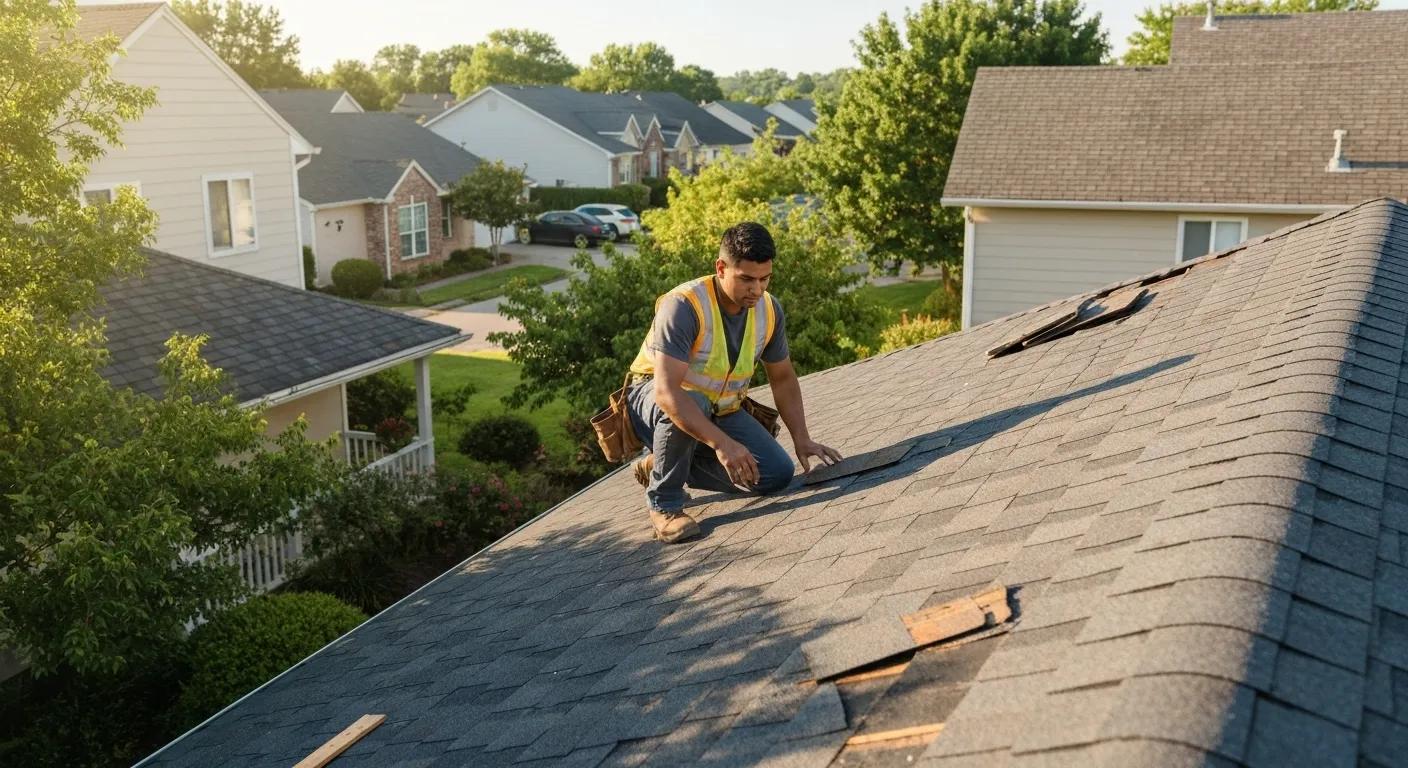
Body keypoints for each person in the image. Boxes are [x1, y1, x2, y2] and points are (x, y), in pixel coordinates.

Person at [626, 222, 841, 543]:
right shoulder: (684, 306)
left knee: (777, 474)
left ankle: (659, 462)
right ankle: (665, 504)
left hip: (720, 405)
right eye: (746, 279)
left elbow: (782, 378)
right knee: (691, 399)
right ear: (721, 268)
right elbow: (667, 392)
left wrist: (803, 439)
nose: (757, 289)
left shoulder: (769, 309)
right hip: (653, 399)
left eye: (765, 279)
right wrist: (723, 444)